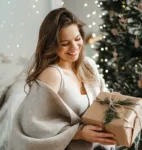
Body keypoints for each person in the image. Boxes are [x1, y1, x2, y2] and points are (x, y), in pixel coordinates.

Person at [8, 8, 116, 150]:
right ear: (52, 45)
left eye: (77, 39)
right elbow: (33, 125)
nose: (74, 47)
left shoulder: (88, 65)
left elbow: (105, 99)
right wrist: (78, 133)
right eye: (65, 44)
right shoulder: (52, 75)